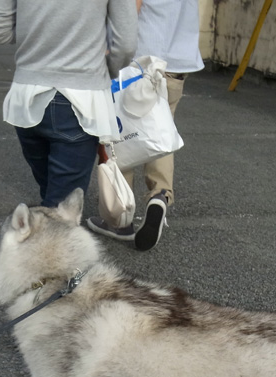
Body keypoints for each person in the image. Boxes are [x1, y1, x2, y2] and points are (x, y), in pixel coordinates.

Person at [0, 0, 138, 208]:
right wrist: (105, 72)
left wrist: (37, 29)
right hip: (81, 98)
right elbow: (126, 44)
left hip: (26, 94)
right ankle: (43, 239)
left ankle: (37, 235)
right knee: (62, 213)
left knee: (51, 196)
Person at [87, 0, 204, 251]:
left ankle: (120, 218)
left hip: (138, 62)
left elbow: (131, 7)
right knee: (160, 130)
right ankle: (160, 195)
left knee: (119, 133)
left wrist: (108, 48)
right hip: (177, 65)